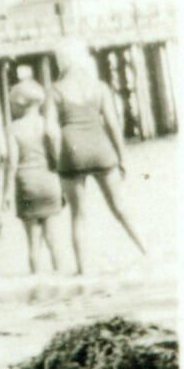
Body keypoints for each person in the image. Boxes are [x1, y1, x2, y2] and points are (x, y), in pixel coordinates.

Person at [50, 34, 144, 273]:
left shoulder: (55, 91)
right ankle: (147, 251)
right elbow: (113, 125)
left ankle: (83, 272)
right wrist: (123, 158)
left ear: (60, 61)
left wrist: (54, 162)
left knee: (78, 215)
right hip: (101, 149)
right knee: (120, 206)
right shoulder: (99, 87)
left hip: (72, 153)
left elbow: (50, 132)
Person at [1, 78, 64, 273]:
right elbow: (57, 155)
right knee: (53, 240)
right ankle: (61, 278)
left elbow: (11, 163)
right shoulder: (47, 124)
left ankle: (38, 282)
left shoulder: (13, 128)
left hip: (27, 185)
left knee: (33, 243)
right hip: (50, 183)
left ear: (19, 104)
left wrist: (6, 193)